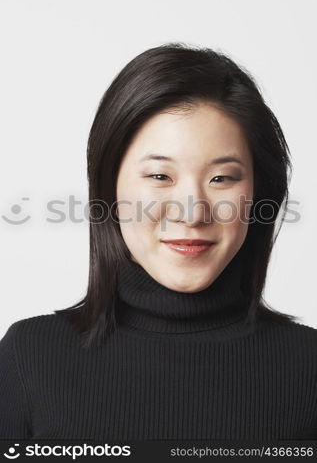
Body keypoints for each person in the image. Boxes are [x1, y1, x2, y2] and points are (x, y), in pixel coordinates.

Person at [0, 43, 316, 441]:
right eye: (159, 177)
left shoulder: (309, 367)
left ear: (259, 194)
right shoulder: (29, 357)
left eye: (222, 178)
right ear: (109, 187)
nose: (192, 212)